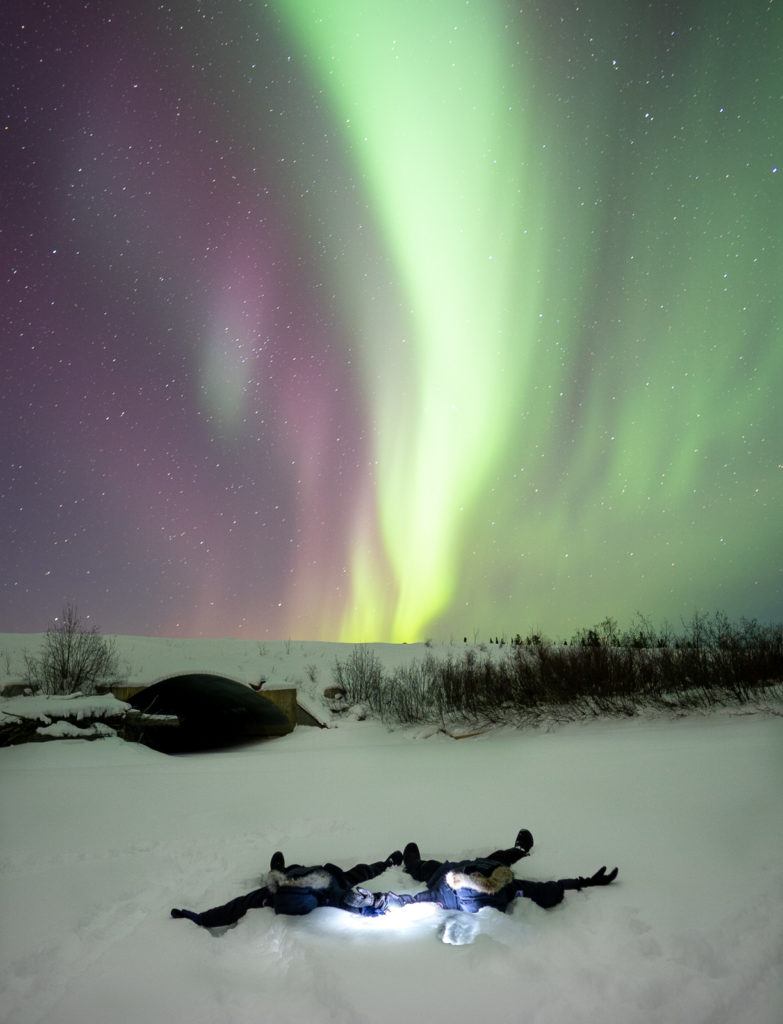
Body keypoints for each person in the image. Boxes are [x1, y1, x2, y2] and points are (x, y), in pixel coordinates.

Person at [171, 848, 413, 928]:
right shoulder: (272, 893)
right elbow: (233, 907)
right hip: (301, 874)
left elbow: (348, 899)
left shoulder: (326, 889)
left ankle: (388, 862)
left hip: (329, 876)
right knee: (358, 872)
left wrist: (369, 906)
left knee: (360, 872)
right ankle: (279, 867)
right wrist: (199, 918)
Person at [402, 829, 618, 912]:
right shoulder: (507, 888)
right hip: (462, 872)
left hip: (445, 873)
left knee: (426, 868)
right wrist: (584, 882)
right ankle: (518, 851)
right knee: (499, 859)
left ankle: (412, 864)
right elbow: (548, 890)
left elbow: (409, 901)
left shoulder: (443, 892)